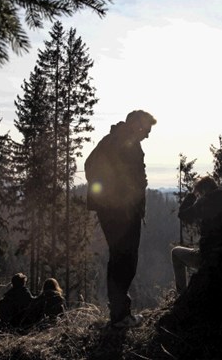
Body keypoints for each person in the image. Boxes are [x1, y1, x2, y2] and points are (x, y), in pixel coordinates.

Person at [84, 109, 157, 328]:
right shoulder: (123, 143)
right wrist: (121, 200)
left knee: (120, 259)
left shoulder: (113, 141)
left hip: (114, 211)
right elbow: (98, 171)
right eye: (147, 129)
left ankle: (119, 314)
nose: (148, 135)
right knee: (125, 260)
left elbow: (90, 167)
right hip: (122, 213)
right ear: (137, 125)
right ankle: (120, 316)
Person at [171, 176, 222, 294]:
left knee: (176, 253)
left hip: (210, 255)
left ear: (203, 191)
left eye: (199, 193)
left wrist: (192, 195)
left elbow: (183, 215)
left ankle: (182, 295)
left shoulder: (204, 204)